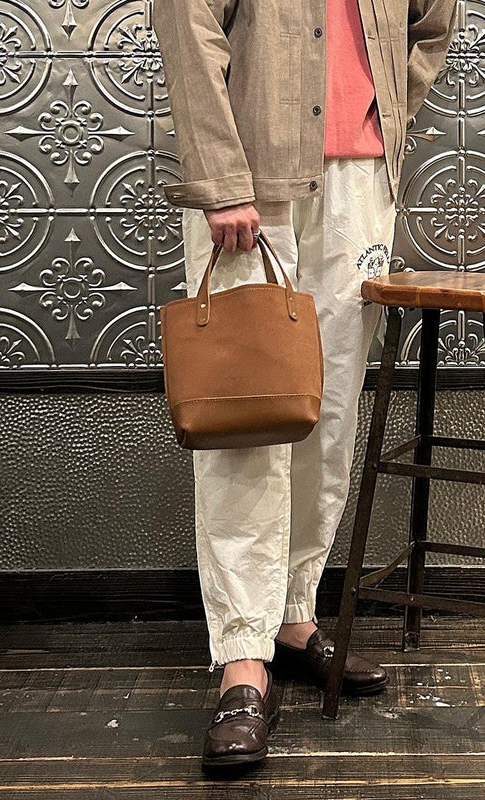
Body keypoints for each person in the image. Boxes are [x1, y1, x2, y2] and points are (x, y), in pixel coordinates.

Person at [153, 0, 458, 770]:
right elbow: (188, 24)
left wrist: (388, 111)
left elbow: (434, 19)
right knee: (247, 416)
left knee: (328, 410)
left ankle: (293, 615)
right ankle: (242, 657)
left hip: (361, 184)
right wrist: (221, 176)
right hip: (252, 176)